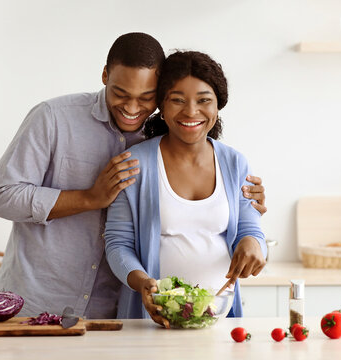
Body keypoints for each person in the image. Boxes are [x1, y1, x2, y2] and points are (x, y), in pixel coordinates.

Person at [0, 33, 266, 319]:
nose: (133, 108)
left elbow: (242, 220)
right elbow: (2, 197)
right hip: (37, 301)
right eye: (121, 93)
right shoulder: (54, 118)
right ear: (105, 74)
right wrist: (89, 198)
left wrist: (248, 217)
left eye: (146, 98)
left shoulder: (172, 140)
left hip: (108, 311)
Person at [104, 50, 266, 326]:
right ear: (162, 108)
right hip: (153, 318)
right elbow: (118, 244)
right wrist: (142, 281)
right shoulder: (134, 163)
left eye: (204, 101)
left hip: (220, 317)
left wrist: (254, 243)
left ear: (217, 107)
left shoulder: (234, 162)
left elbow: (250, 230)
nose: (191, 111)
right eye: (177, 100)